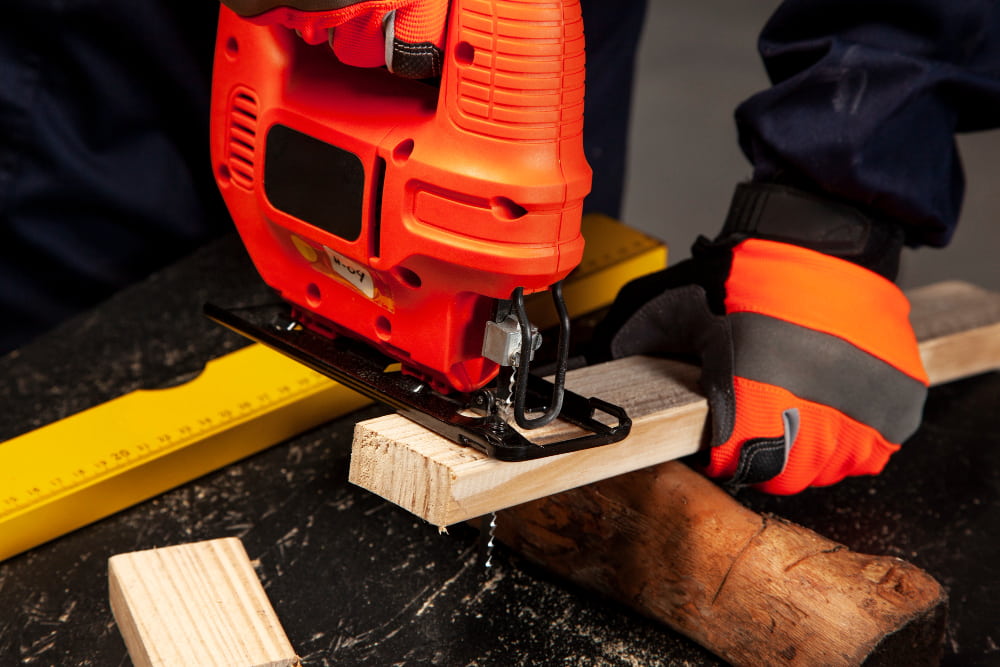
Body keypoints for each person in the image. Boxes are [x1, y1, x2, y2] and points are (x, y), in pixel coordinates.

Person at [5, 0, 995, 494]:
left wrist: (832, 202)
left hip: (495, 38)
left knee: (500, 223)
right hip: (103, 46)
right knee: (52, 371)